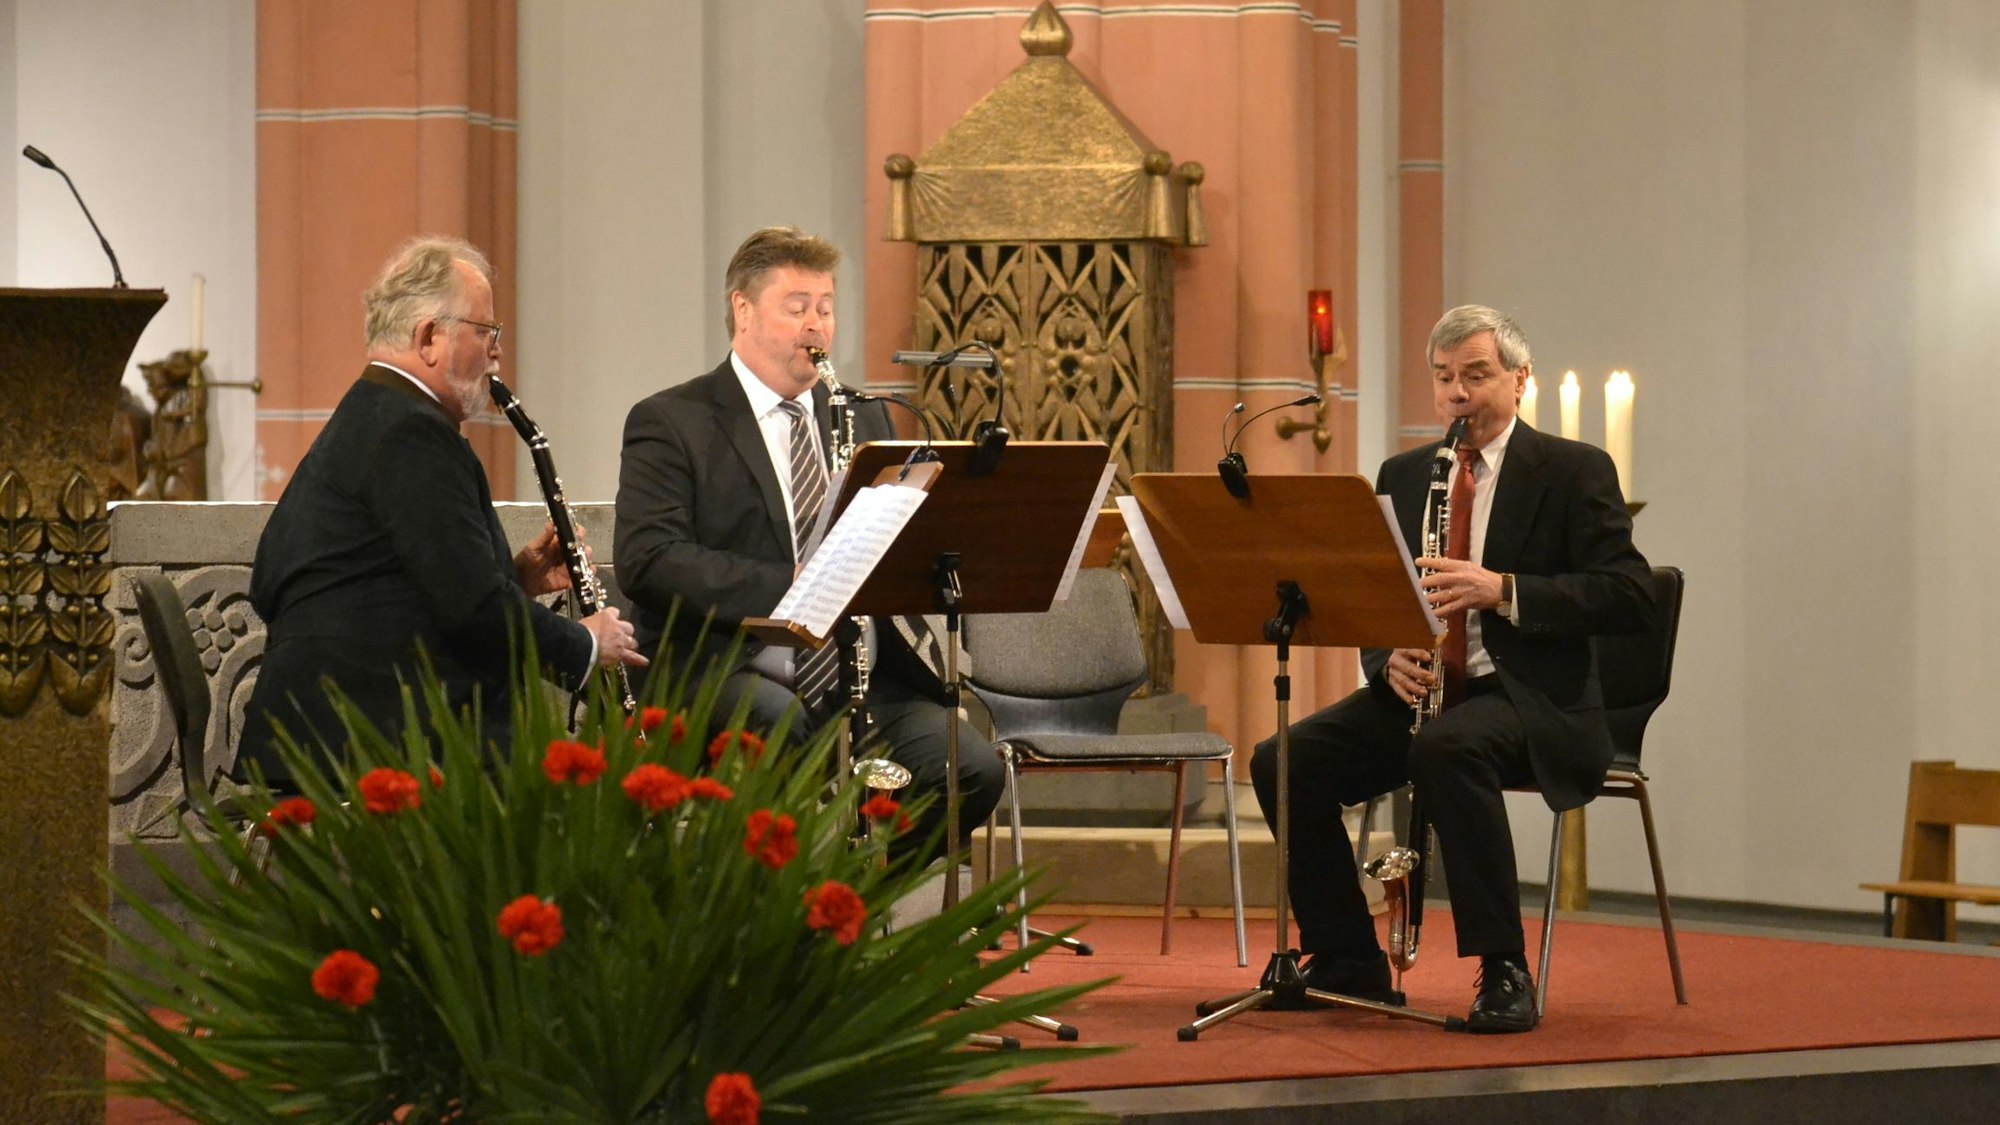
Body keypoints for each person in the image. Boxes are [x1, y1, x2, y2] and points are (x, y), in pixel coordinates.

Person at [1249, 304, 1654, 1033]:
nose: (1457, 394)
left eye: (1475, 375)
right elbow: (1380, 595)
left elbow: (1629, 594)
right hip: (1426, 694)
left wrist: (1506, 590)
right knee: (1283, 759)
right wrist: (1386, 658)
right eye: (1443, 379)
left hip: (1532, 698)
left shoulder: (1572, 470)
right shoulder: (1405, 475)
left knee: (1446, 746)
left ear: (1519, 379)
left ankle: (1503, 968)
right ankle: (1349, 957)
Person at [614, 226, 1004, 866]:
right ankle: (793, 920)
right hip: (731, 668)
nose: (816, 326)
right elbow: (648, 558)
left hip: (860, 676)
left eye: (825, 308)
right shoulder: (673, 420)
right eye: (797, 308)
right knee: (777, 723)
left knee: (971, 769)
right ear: (743, 309)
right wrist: (791, 584)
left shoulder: (866, 417)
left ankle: (848, 906)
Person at [240, 236, 645, 786]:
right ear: (430, 336)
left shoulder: (373, 415)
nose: (497, 352)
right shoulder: (411, 434)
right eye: (487, 332)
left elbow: (395, 589)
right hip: (366, 734)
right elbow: (470, 610)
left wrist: (517, 579)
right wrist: (587, 642)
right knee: (572, 797)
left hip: (325, 723)